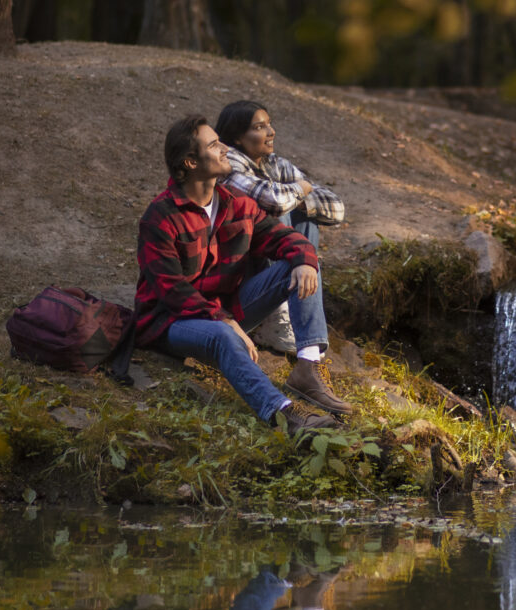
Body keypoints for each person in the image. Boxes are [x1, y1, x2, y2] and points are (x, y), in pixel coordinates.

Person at [133, 115, 352, 434]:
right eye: (213, 144)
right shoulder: (160, 218)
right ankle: (285, 415)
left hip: (227, 313)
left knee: (299, 260)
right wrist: (223, 319)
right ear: (191, 162)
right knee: (222, 334)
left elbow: (283, 238)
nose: (224, 149)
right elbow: (172, 292)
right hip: (171, 322)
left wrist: (305, 258)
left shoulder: (237, 205)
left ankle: (306, 367)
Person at [215, 100, 344, 358]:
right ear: (238, 137)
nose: (271, 132)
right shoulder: (227, 165)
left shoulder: (274, 164)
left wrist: (297, 198)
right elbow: (274, 202)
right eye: (260, 127)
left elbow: (337, 208)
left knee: (306, 216)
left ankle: (293, 310)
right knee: (282, 210)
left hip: (272, 265)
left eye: (269, 124)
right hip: (243, 280)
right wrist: (301, 189)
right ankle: (278, 317)